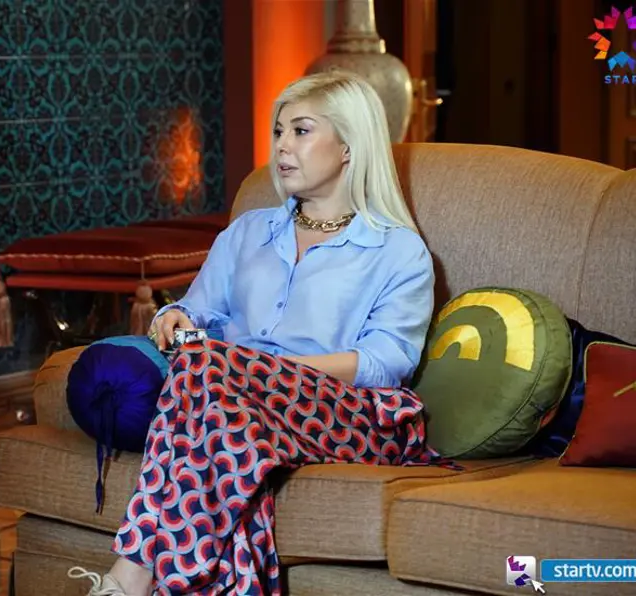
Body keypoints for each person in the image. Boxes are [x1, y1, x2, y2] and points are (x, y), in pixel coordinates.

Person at [68, 70, 455, 596]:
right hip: (232, 399)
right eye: (278, 132)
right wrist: (173, 318)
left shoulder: (398, 251)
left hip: (348, 412)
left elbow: (386, 362)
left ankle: (129, 576)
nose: (282, 146)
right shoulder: (248, 231)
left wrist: (266, 372)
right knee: (230, 432)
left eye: (301, 131)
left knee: (210, 371)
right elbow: (197, 309)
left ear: (348, 147)